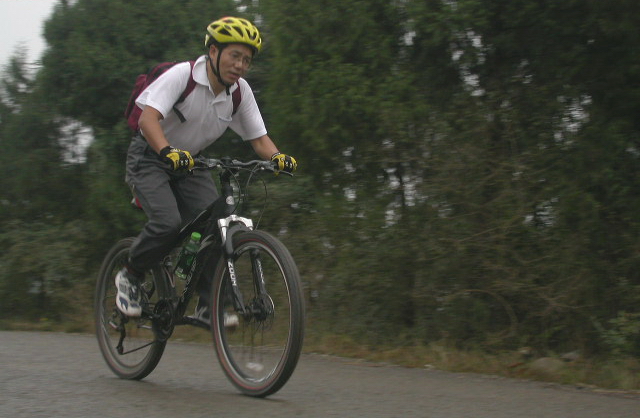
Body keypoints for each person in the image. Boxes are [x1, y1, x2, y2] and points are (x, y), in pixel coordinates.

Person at [115, 17, 297, 323]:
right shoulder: (182, 76)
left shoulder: (239, 92)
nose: (240, 65)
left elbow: (259, 139)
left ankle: (207, 303)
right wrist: (167, 151)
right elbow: (148, 119)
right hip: (149, 155)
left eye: (246, 60)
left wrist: (278, 156)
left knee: (216, 222)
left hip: (191, 161)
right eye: (234, 55)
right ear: (213, 51)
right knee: (167, 223)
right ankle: (130, 275)